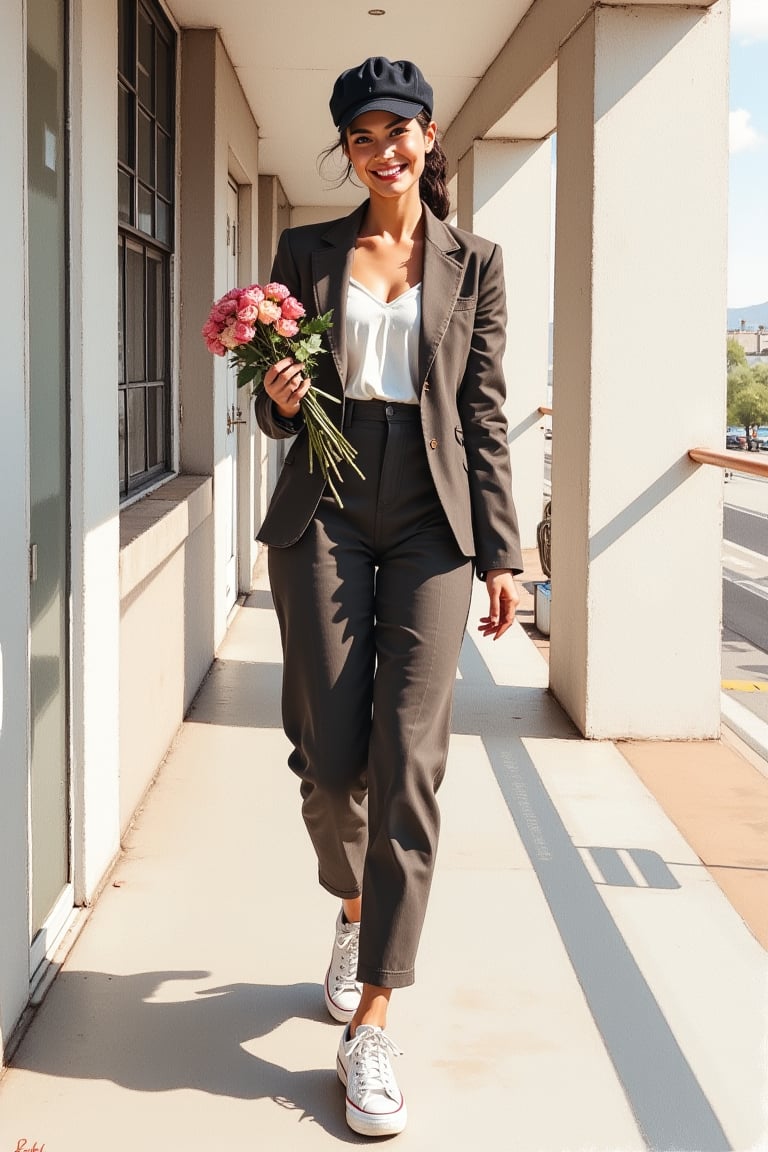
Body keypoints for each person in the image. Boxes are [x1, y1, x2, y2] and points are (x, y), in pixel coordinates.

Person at [255, 56, 522, 1138]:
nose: (383, 149)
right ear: (349, 153)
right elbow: (279, 408)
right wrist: (278, 400)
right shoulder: (306, 251)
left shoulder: (478, 261)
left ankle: (372, 1017)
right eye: (362, 137)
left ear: (429, 134)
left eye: (398, 130)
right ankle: (359, 912)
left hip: (432, 517)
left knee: (407, 761)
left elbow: (487, 411)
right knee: (326, 756)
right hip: (324, 499)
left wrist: (503, 552)